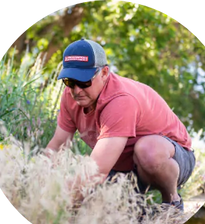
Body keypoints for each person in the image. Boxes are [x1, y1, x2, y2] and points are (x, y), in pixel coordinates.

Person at [44, 39, 195, 211]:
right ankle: (136, 207)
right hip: (123, 167)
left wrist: (53, 205)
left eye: (84, 81)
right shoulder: (70, 96)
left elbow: (96, 171)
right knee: (95, 210)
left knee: (148, 150)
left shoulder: (121, 100)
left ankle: (172, 203)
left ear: (104, 73)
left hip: (174, 158)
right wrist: (35, 184)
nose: (77, 90)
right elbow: (57, 146)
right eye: (70, 81)